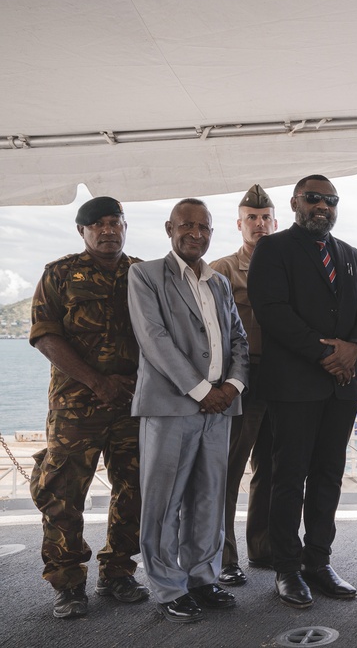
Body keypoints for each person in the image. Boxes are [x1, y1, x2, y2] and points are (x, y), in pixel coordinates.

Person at [247, 174, 357, 609]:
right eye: (313, 198)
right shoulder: (274, 248)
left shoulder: (351, 255)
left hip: (340, 388)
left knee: (328, 477)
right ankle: (287, 567)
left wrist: (355, 348)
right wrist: (326, 353)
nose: (322, 206)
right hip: (294, 386)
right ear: (295, 203)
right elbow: (271, 310)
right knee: (289, 477)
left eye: (330, 200)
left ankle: (318, 562)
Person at [128, 199, 250, 623]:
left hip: (221, 408)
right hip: (171, 407)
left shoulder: (217, 282)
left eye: (204, 227)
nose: (195, 233)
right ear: (169, 228)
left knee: (209, 497)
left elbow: (239, 338)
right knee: (164, 502)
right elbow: (154, 339)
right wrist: (202, 390)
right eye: (187, 225)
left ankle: (202, 577)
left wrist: (232, 385)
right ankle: (167, 585)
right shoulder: (144, 275)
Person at [28, 196, 149, 619]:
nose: (107, 230)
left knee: (134, 488)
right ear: (82, 232)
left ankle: (118, 571)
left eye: (114, 222)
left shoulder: (144, 274)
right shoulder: (59, 274)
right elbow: (45, 336)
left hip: (133, 402)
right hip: (76, 405)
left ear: (125, 226)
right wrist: (96, 380)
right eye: (96, 224)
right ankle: (68, 582)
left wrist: (134, 383)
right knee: (62, 493)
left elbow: (162, 335)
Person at [209, 184, 279, 586]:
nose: (259, 224)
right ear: (240, 224)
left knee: (271, 468)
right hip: (241, 379)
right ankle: (223, 556)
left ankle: (264, 547)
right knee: (229, 470)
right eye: (252, 218)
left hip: (281, 379)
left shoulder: (287, 266)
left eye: (265, 217)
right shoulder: (222, 269)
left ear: (275, 221)